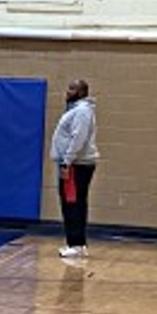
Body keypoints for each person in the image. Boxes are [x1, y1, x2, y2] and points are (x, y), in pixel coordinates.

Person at [51, 79, 99, 259]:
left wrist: (67, 161)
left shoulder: (82, 112)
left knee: (73, 203)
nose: (67, 91)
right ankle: (75, 243)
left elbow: (78, 138)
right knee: (71, 202)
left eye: (72, 88)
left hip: (76, 164)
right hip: (74, 163)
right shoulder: (77, 110)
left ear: (81, 92)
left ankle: (77, 244)